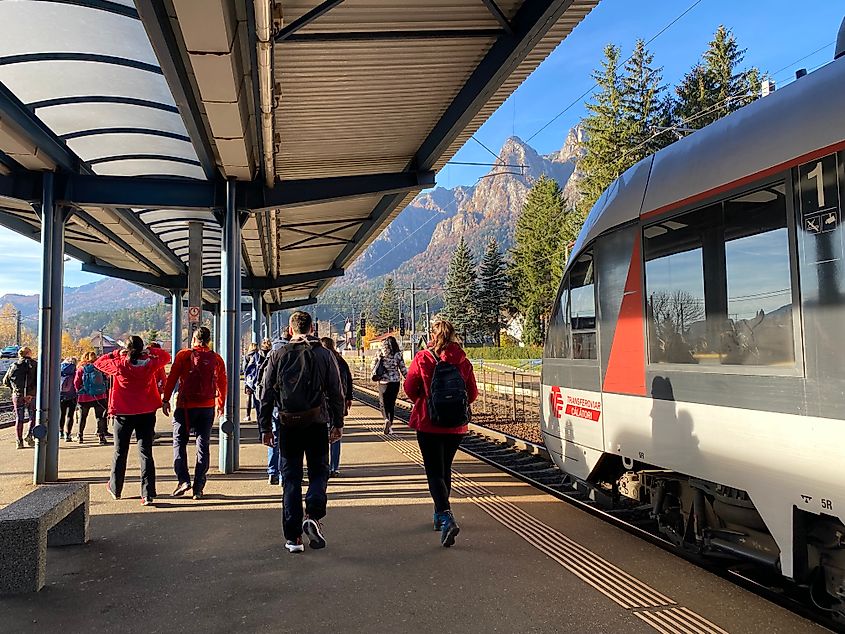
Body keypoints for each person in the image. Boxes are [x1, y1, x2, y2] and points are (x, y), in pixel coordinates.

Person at [259, 311, 344, 553]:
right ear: (312, 328)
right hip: (317, 422)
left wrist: (265, 427)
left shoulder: (278, 354)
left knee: (291, 479)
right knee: (319, 472)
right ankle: (313, 515)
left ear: (290, 329)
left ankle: (293, 538)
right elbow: (336, 391)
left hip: (287, 424)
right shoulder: (324, 354)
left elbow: (265, 393)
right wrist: (338, 424)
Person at [404, 317, 478, 548]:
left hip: (429, 422)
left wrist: (426, 402)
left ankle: (445, 516)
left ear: (432, 336)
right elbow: (472, 393)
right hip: (456, 426)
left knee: (434, 471)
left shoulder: (423, 358)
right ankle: (440, 514)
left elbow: (409, 388)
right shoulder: (463, 360)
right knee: (445, 468)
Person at [95, 336, 171, 506]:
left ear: (127, 349)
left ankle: (116, 488)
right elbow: (166, 357)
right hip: (146, 411)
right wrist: (150, 351)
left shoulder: (119, 364)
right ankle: (148, 493)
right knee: (146, 453)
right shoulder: (150, 364)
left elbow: (99, 362)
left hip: (123, 413)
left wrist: (116, 352)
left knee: (120, 452)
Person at [162, 326, 227, 500]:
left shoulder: (183, 356)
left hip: (185, 407)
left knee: (179, 442)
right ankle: (198, 487)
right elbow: (222, 383)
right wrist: (221, 404)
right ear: (209, 340)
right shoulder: (217, 359)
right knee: (202, 445)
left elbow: (172, 378)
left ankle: (183, 480)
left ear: (194, 339)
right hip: (207, 407)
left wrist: (166, 399)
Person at [260, 330, 289, 485]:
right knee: (287, 441)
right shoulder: (294, 352)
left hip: (273, 406)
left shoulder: (272, 354)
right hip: (289, 405)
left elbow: (263, 381)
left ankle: (272, 472)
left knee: (274, 438)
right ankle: (284, 475)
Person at [320, 337, 352, 477]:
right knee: (336, 433)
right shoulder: (341, 361)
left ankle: (324, 466)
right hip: (338, 401)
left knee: (322, 435)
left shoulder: (320, 360)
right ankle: (334, 467)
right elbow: (349, 380)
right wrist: (348, 397)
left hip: (323, 403)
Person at [371, 335, 407, 434]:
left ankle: (386, 419)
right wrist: (408, 379)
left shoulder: (380, 352)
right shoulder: (397, 354)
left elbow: (373, 365)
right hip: (395, 382)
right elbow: (403, 368)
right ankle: (390, 425)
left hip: (383, 382)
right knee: (391, 404)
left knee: (383, 403)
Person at [3, 346, 37, 449]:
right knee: (33, 416)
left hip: (17, 395)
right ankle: (29, 435)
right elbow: (38, 380)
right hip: (31, 395)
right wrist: (31, 393)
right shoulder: (35, 365)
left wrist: (15, 389)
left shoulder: (14, 365)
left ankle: (19, 441)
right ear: (29, 353)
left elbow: (5, 381)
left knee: (19, 418)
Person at [74, 351, 110, 445]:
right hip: (99, 396)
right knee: (100, 417)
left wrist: (80, 391)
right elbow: (106, 378)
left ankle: (80, 436)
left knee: (83, 417)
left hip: (84, 397)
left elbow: (76, 382)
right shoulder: (99, 368)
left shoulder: (81, 369)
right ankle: (101, 436)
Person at [59, 357, 79, 442]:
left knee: (61, 414)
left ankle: (60, 432)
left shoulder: (60, 370)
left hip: (60, 395)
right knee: (70, 415)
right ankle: (68, 434)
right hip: (72, 396)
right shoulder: (75, 371)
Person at [243, 342, 259, 421]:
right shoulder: (259, 355)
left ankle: (248, 415)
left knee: (248, 397)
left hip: (249, 380)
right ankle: (259, 415)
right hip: (257, 379)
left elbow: (244, 368)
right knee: (257, 398)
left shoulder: (247, 356)